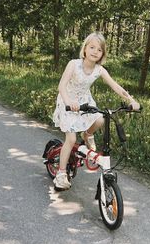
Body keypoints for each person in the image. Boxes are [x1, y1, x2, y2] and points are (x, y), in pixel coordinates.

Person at [52, 32, 140, 190]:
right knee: (71, 139)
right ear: (85, 49)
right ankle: (61, 173)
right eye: (92, 47)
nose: (95, 51)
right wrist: (68, 102)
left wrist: (131, 100)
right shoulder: (73, 64)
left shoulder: (99, 70)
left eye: (99, 50)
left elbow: (116, 87)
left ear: (102, 54)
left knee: (101, 119)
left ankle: (87, 134)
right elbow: (61, 86)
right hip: (68, 101)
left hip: (85, 101)